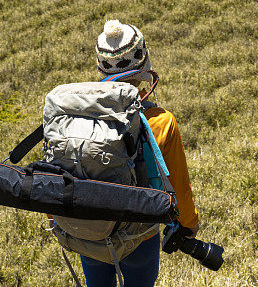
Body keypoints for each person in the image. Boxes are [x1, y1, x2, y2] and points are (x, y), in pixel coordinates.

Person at [81, 20, 200, 287]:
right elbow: (178, 185)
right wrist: (189, 224)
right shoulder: (161, 121)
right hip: (139, 236)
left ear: (100, 66)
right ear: (144, 61)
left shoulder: (79, 115)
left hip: (88, 231)